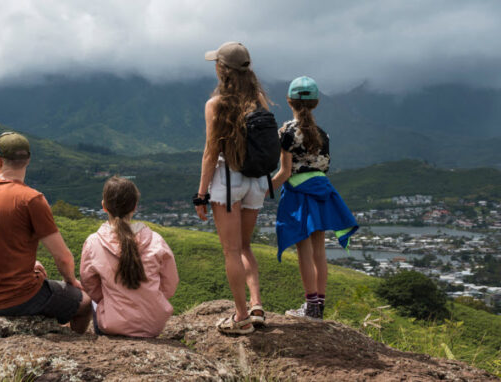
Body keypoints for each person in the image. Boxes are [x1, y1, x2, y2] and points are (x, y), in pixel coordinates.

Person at [0, 131, 92, 333]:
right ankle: (74, 342)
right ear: (27, 161)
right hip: (17, 297)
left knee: (38, 269)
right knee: (85, 303)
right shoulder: (32, 199)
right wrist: (72, 283)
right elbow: (63, 258)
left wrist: (30, 266)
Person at [194, 41, 272, 335]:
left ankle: (240, 318)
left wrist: (201, 194)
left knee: (231, 250)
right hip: (257, 181)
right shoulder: (260, 100)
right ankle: (256, 305)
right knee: (246, 247)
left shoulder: (216, 105)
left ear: (222, 69)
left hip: (228, 181)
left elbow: (210, 154)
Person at [271, 76, 359, 321]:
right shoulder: (323, 134)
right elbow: (323, 168)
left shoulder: (287, 132)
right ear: (316, 103)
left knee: (303, 250)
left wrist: (262, 190)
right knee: (319, 251)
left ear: (289, 101)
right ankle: (318, 306)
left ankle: (309, 307)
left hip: (299, 195)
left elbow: (285, 172)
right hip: (323, 192)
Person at [80, 176, 179, 337]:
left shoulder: (93, 242)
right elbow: (170, 284)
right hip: (153, 325)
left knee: (87, 297)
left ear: (104, 206)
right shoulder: (156, 240)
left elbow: (90, 285)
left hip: (111, 325)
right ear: (135, 207)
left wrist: (108, 301)